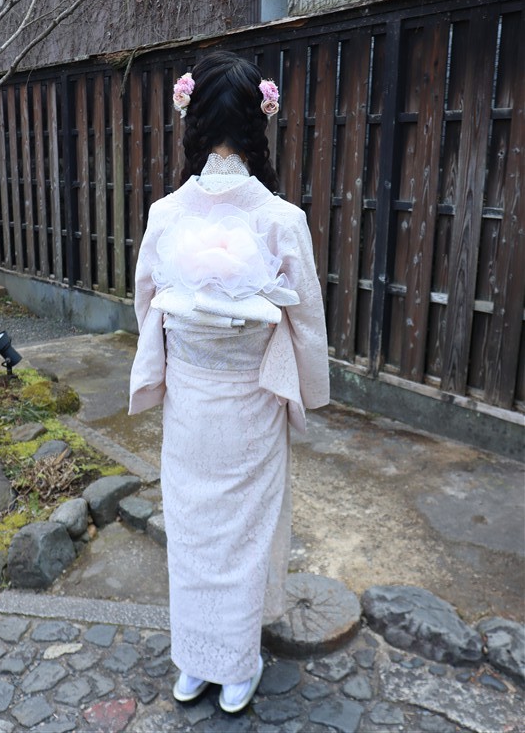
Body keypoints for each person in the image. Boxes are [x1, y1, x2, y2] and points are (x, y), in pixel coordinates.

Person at [129, 50, 330, 713]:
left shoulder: (165, 213)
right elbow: (305, 321)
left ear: (190, 120)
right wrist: (308, 390)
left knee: (192, 532)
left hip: (190, 401)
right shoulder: (281, 218)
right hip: (251, 403)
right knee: (243, 535)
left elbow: (147, 308)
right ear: (256, 124)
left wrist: (166, 366)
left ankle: (194, 664)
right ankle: (235, 668)